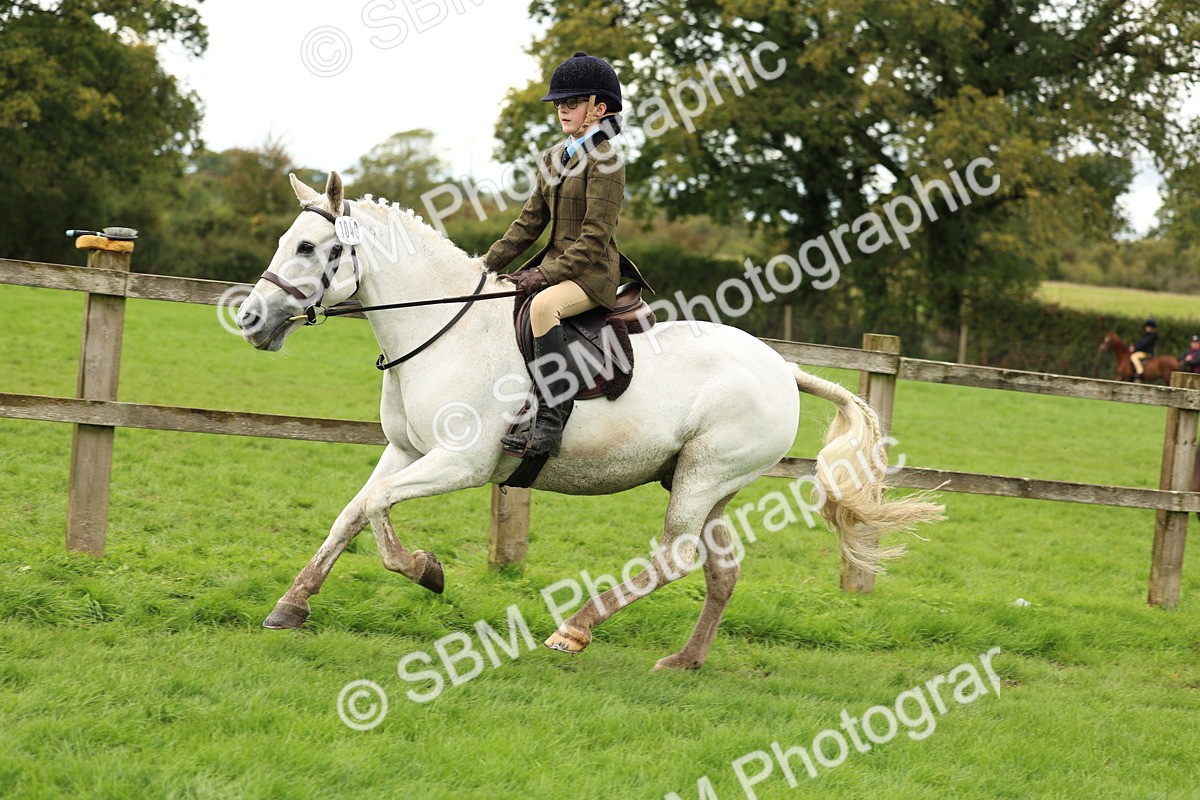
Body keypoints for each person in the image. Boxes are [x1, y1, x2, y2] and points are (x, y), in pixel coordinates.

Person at [483, 52, 651, 457]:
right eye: (559, 104)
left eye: (571, 103)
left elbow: (595, 238)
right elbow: (527, 224)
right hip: (556, 268)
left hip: (591, 274)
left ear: (599, 108)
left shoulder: (606, 159)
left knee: (543, 309)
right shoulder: (554, 157)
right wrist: (484, 267)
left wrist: (544, 276)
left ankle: (552, 418)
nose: (562, 110)